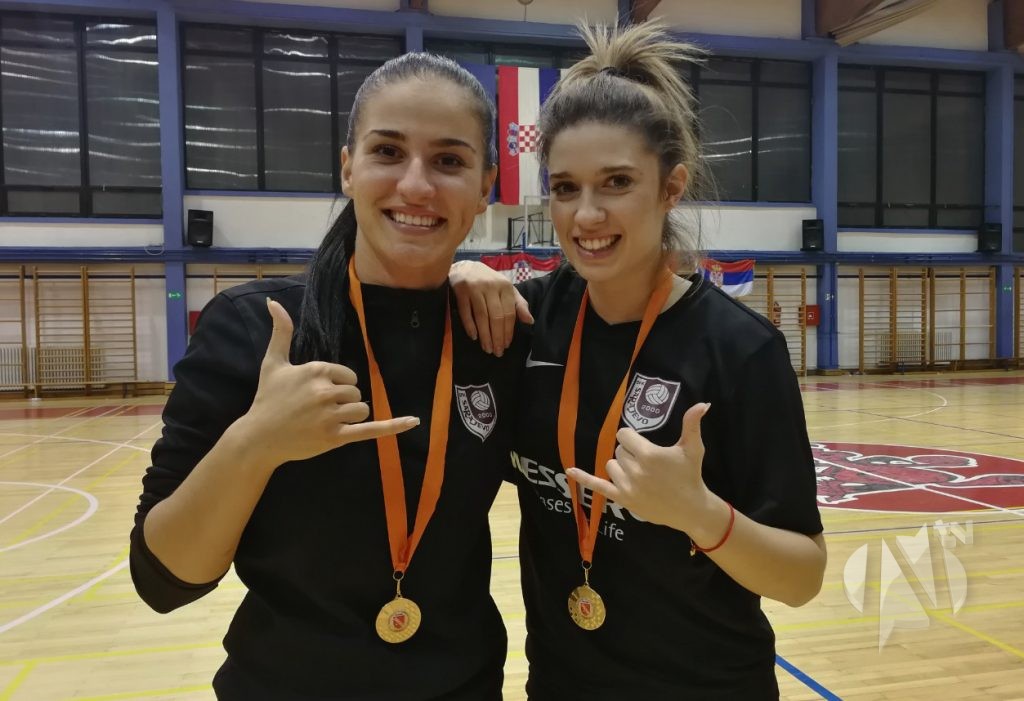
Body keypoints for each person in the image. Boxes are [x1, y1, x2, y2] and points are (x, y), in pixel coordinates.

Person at [130, 53, 523, 700]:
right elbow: (163, 579)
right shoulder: (257, 327)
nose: (416, 184)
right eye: (388, 151)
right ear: (348, 167)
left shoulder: (498, 335)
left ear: (485, 187)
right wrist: (256, 443)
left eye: (449, 161)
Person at [451, 22, 826, 699]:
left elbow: (802, 577)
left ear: (671, 187)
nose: (586, 214)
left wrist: (698, 512)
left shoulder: (740, 349)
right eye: (565, 187)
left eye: (617, 182)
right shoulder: (524, 323)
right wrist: (456, 274)